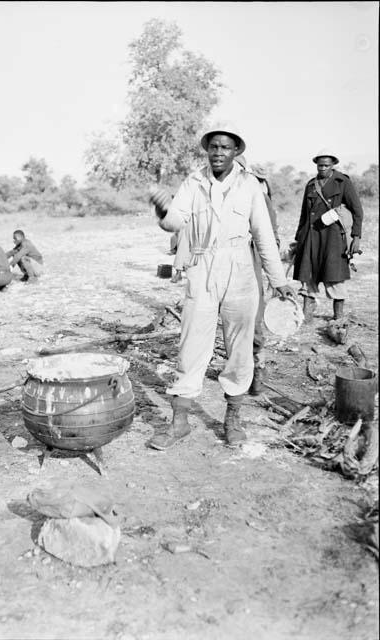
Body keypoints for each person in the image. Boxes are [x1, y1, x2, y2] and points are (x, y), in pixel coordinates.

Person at [148, 122, 294, 449]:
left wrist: (279, 281)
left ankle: (233, 419)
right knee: (191, 343)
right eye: (213, 147)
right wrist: (163, 209)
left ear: (236, 152)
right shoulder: (193, 182)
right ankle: (180, 422)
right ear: (207, 150)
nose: (218, 153)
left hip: (241, 268)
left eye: (225, 147)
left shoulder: (250, 186)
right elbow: (176, 221)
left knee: (239, 347)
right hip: (201, 266)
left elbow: (264, 237)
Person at [293, 149, 363, 322]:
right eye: (320, 165)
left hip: (334, 239)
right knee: (308, 276)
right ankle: (307, 316)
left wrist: (356, 237)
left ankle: (338, 318)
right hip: (311, 237)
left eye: (326, 165)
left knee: (335, 276)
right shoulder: (311, 185)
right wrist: (298, 239)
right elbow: (304, 214)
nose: (322, 168)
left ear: (333, 165)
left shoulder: (343, 182)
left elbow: (357, 211)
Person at [247, 164, 280, 395]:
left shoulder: (261, 200)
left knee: (254, 319)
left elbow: (271, 239)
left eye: (260, 180)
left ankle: (258, 368)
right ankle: (243, 368)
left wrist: (273, 276)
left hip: (253, 263)